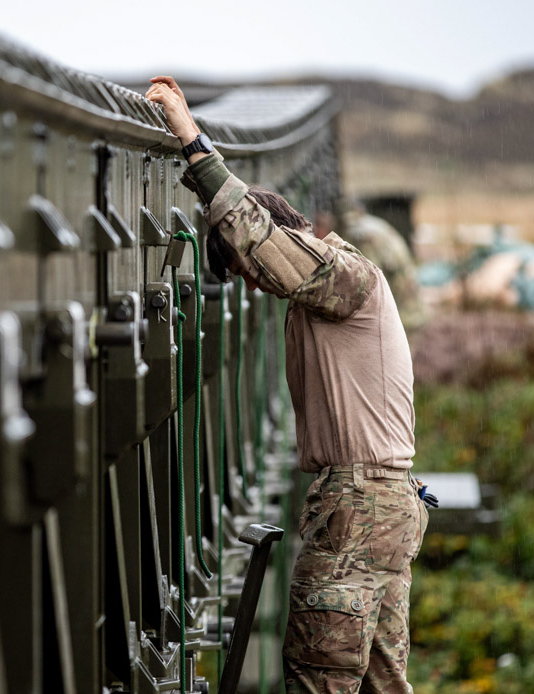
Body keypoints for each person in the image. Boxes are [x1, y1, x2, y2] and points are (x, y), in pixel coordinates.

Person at [147, 76, 428, 694]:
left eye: (249, 274)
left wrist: (192, 141)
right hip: (381, 503)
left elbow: (261, 240)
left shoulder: (344, 275)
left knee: (319, 679)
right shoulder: (334, 293)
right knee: (381, 682)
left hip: (357, 506)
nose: (252, 288)